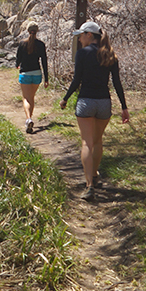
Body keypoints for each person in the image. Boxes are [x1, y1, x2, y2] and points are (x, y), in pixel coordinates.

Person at [59, 21, 130, 201]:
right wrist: (124, 106)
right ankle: (96, 176)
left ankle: (89, 184)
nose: (80, 39)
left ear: (89, 35)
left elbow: (77, 80)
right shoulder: (110, 54)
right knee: (97, 141)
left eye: (81, 35)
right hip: (104, 103)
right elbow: (117, 83)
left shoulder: (82, 54)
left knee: (87, 143)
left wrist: (65, 98)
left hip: (86, 102)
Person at [16, 22, 49, 133]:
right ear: (37, 31)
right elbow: (44, 61)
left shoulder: (22, 44)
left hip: (25, 73)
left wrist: (17, 65)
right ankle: (29, 118)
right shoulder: (41, 44)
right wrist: (46, 78)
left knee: (26, 98)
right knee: (31, 97)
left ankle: (28, 119)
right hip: (37, 74)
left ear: (27, 30)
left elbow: (18, 59)